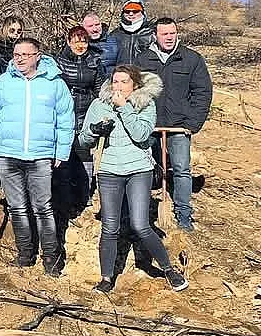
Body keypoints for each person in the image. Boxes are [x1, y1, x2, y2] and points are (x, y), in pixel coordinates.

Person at [79, 65, 188, 292]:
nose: (118, 86)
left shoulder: (145, 105)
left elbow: (141, 134)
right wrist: (94, 130)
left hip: (138, 169)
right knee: (110, 226)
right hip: (109, 170)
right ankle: (106, 278)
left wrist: (124, 109)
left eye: (124, 82)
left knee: (140, 224)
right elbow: (83, 140)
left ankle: (169, 269)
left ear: (134, 85)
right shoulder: (99, 105)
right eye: (115, 81)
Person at [0, 37, 74, 276]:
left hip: (40, 156)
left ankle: (51, 258)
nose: (19, 59)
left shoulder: (55, 84)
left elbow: (65, 119)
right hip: (8, 154)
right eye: (16, 54)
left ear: (38, 56)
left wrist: (61, 150)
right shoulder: (1, 84)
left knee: (43, 207)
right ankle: (25, 255)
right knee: (17, 207)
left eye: (25, 54)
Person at [136, 18, 213, 231]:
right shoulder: (143, 60)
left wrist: (193, 123)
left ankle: (183, 214)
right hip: (149, 125)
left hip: (180, 125)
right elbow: (132, 90)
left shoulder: (191, 59)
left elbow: (202, 92)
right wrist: (139, 120)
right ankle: (141, 211)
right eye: (164, 34)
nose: (169, 37)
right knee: (143, 169)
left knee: (181, 169)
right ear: (155, 36)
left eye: (172, 33)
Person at [54, 25, 105, 199]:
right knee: (65, 151)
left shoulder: (95, 61)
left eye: (83, 41)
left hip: (88, 109)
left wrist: (101, 108)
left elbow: (100, 87)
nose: (80, 46)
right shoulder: (59, 61)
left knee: (84, 151)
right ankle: (64, 196)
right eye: (76, 42)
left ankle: (85, 194)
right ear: (68, 42)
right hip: (65, 109)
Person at [109, 0, 155, 66]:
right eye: (127, 11)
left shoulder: (151, 32)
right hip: (121, 74)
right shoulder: (114, 34)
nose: (131, 14)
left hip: (144, 74)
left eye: (135, 11)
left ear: (142, 13)